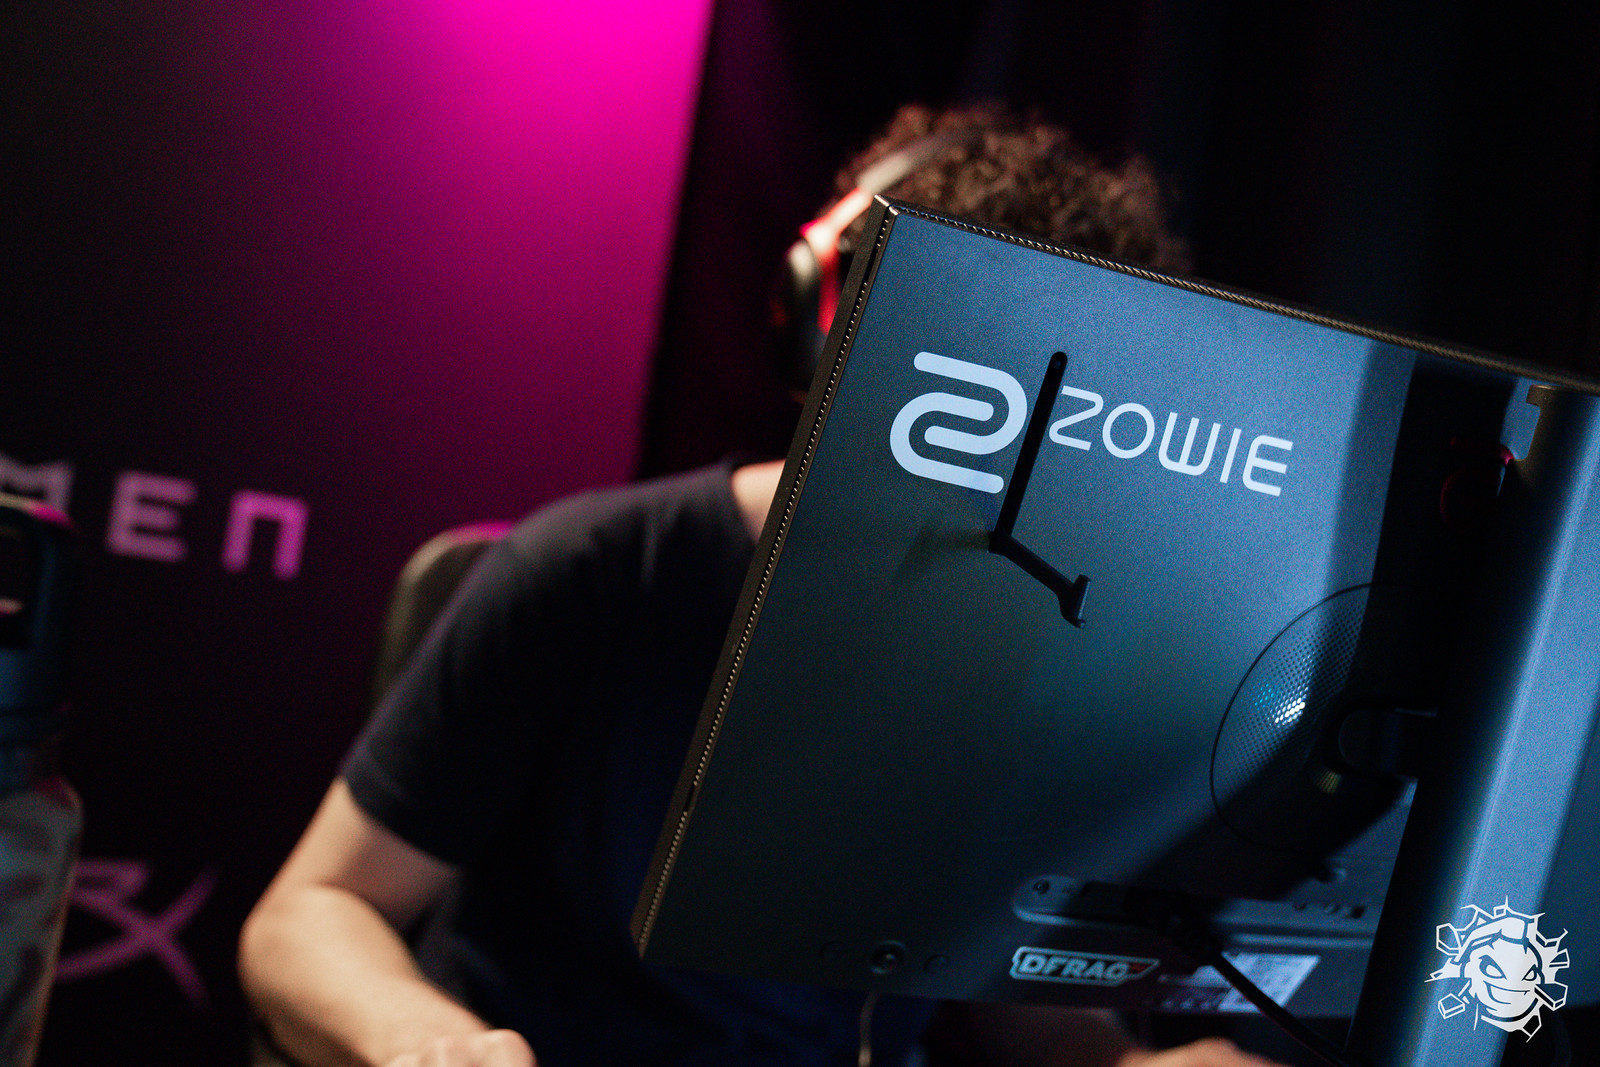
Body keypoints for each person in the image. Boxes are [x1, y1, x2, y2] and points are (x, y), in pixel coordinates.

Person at [238, 104, 1285, 1067]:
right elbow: (309, 911)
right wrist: (432, 1043)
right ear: (836, 326)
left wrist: (1133, 1064)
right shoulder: (593, 573)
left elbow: (996, 1001)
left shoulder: (1033, 649)